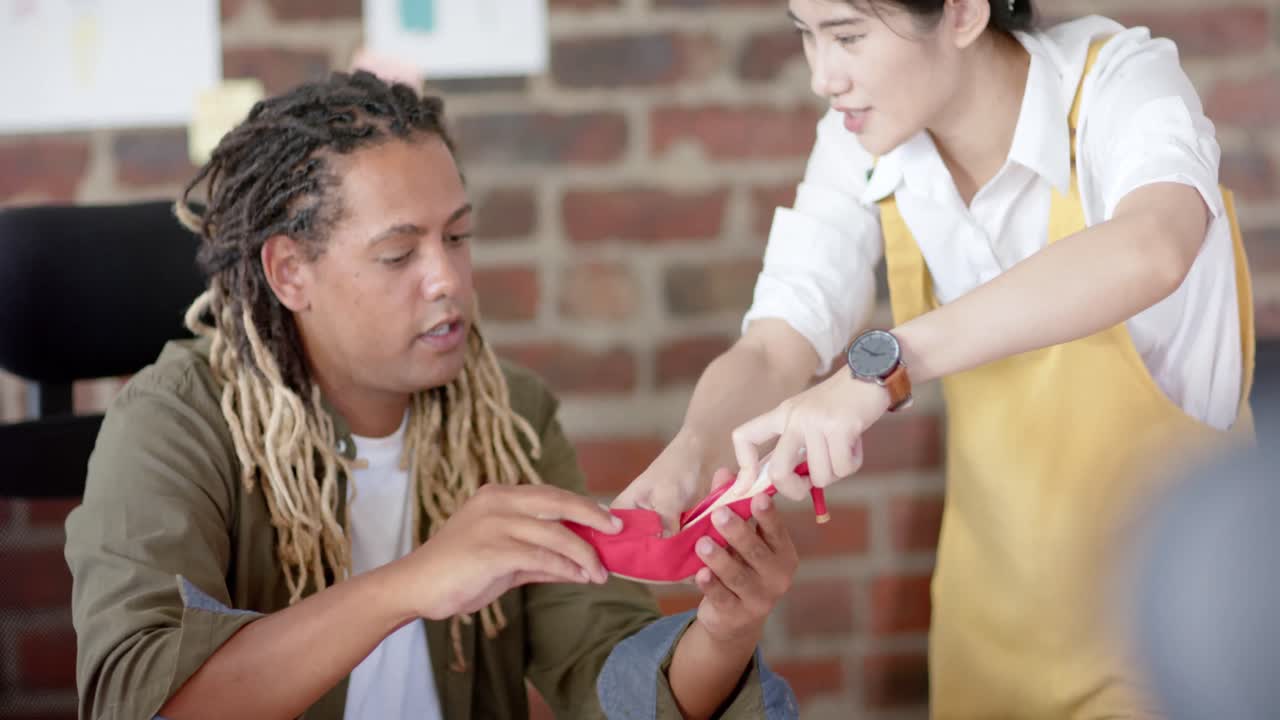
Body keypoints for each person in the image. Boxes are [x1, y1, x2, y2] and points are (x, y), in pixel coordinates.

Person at [64, 70, 799, 720]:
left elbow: (610, 676)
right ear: (290, 273)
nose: (446, 278)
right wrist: (410, 585)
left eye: (459, 236)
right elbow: (140, 698)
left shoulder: (510, 417)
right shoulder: (178, 420)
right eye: (398, 253)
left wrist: (725, 630)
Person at [614, 0, 1257, 715]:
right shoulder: (861, 139)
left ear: (961, 13)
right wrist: (693, 448)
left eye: (848, 36)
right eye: (806, 36)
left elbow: (1153, 245)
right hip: (988, 648)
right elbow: (773, 344)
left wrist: (885, 368)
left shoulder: (1121, 86)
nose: (823, 76)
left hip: (1177, 644)